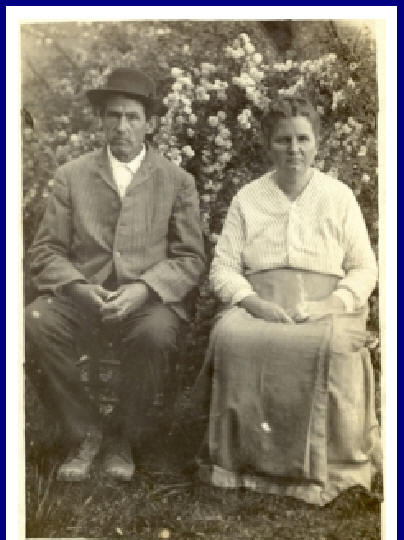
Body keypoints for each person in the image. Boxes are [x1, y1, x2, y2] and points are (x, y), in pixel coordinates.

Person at [196, 96, 380, 506]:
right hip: (261, 303)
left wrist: (330, 304)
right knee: (231, 336)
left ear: (317, 143)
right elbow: (223, 267)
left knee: (333, 345)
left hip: (327, 305)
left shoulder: (338, 196)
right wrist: (252, 303)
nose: (293, 149)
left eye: (302, 139)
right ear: (268, 145)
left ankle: (332, 468)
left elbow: (365, 268)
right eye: (283, 140)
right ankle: (241, 464)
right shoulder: (248, 198)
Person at [25, 68, 206, 482]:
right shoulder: (72, 176)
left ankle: (122, 436)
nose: (122, 126)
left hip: (147, 303)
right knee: (33, 321)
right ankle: (84, 430)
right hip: (81, 298)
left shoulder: (177, 181)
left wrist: (144, 288)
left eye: (132, 117)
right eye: (113, 116)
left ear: (150, 124)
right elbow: (45, 250)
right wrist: (78, 287)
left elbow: (190, 257)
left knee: (155, 333)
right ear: (102, 120)